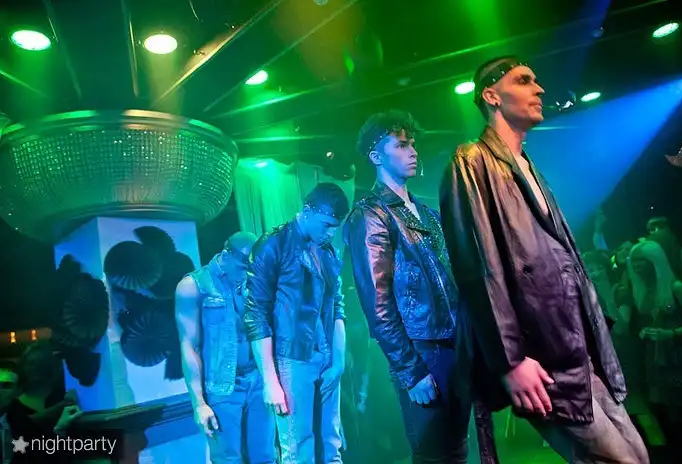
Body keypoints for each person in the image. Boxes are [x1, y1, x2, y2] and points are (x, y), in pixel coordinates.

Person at [439, 56, 649, 463]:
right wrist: (510, 361)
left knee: (637, 455)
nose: (539, 89)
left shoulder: (529, 166)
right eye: (524, 80)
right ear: (491, 96)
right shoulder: (471, 161)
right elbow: (479, 268)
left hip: (574, 345)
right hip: (540, 355)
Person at [343, 109, 498, 463]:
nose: (412, 151)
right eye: (401, 145)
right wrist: (411, 372)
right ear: (375, 156)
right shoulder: (371, 214)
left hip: (454, 345)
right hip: (422, 351)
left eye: (412, 144)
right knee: (433, 454)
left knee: (457, 449)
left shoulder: (426, 214)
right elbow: (377, 304)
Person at [244, 183, 349, 464]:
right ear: (307, 210)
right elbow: (256, 314)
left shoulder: (328, 250)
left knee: (332, 445)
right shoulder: (272, 245)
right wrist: (270, 380)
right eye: (326, 224)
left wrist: (338, 361)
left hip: (326, 354)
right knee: (298, 449)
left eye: (335, 227)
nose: (330, 233)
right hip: (291, 358)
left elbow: (337, 305)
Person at [175, 232, 277, 464]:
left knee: (266, 457)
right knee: (228, 460)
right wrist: (199, 403)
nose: (247, 273)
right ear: (226, 254)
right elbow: (189, 346)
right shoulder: (193, 286)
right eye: (243, 267)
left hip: (257, 380)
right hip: (222, 387)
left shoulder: (254, 281)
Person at [5, 341, 82, 463]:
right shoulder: (15, 406)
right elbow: (23, 436)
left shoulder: (61, 395)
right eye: (31, 363)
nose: (36, 367)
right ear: (23, 367)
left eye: (41, 362)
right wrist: (57, 408)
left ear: (49, 365)